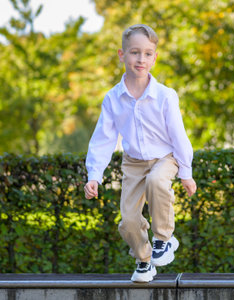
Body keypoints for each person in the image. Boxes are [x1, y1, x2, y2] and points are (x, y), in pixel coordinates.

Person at [84, 24, 196, 283]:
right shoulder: (113, 98)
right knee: (128, 220)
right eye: (135, 53)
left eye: (147, 54)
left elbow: (179, 136)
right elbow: (103, 139)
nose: (141, 59)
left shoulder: (165, 96)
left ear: (155, 57)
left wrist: (186, 173)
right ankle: (144, 260)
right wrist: (94, 175)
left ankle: (163, 238)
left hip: (165, 157)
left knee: (156, 180)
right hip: (133, 162)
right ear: (122, 55)